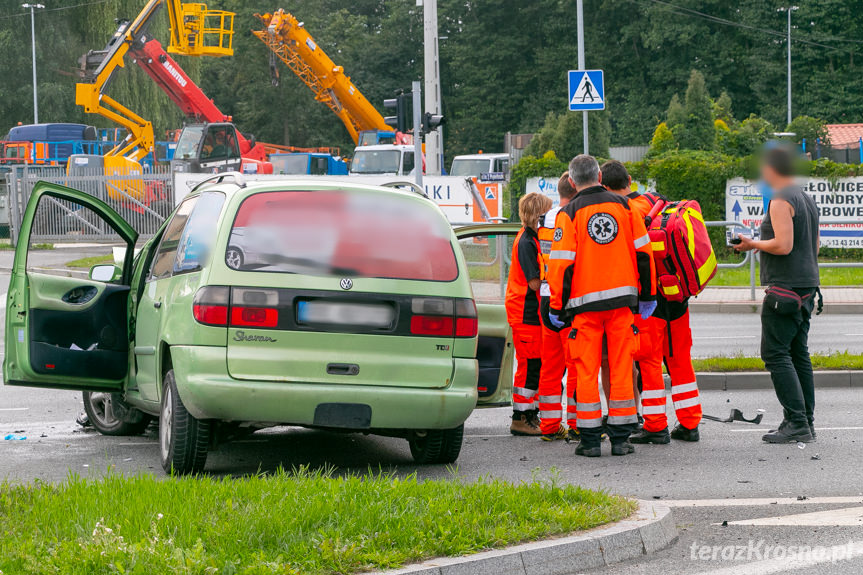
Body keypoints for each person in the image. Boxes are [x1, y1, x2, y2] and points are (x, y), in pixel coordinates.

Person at [548, 155, 656, 457]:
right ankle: (621, 440)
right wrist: (647, 294)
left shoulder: (568, 214)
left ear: (571, 182)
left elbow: (560, 267)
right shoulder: (625, 207)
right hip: (622, 305)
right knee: (621, 368)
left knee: (586, 370)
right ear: (599, 175)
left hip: (584, 308)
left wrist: (557, 307)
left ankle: (591, 441)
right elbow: (644, 254)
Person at [600, 160, 702, 444]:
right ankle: (690, 423)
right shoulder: (656, 200)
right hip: (677, 296)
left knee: (649, 361)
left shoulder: (623, 213)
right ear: (630, 180)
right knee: (680, 360)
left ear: (605, 188)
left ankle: (656, 426)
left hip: (651, 299)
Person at [735, 145, 820, 444]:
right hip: (807, 287)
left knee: (774, 354)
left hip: (784, 289)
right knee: (798, 354)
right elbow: (814, 246)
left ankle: (796, 422)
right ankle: (805, 420)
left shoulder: (780, 199)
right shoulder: (807, 199)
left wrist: (752, 244)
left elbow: (783, 245)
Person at [507, 192, 554, 436]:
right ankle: (520, 418)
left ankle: (530, 414)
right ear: (538, 215)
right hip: (525, 313)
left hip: (528, 312)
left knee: (535, 365)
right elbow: (534, 282)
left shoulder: (531, 238)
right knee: (529, 366)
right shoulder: (526, 242)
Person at [536, 173, 579, 441]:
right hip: (566, 298)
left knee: (550, 367)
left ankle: (549, 425)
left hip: (544, 296)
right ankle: (577, 423)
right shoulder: (572, 217)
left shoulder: (545, 219)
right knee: (576, 364)